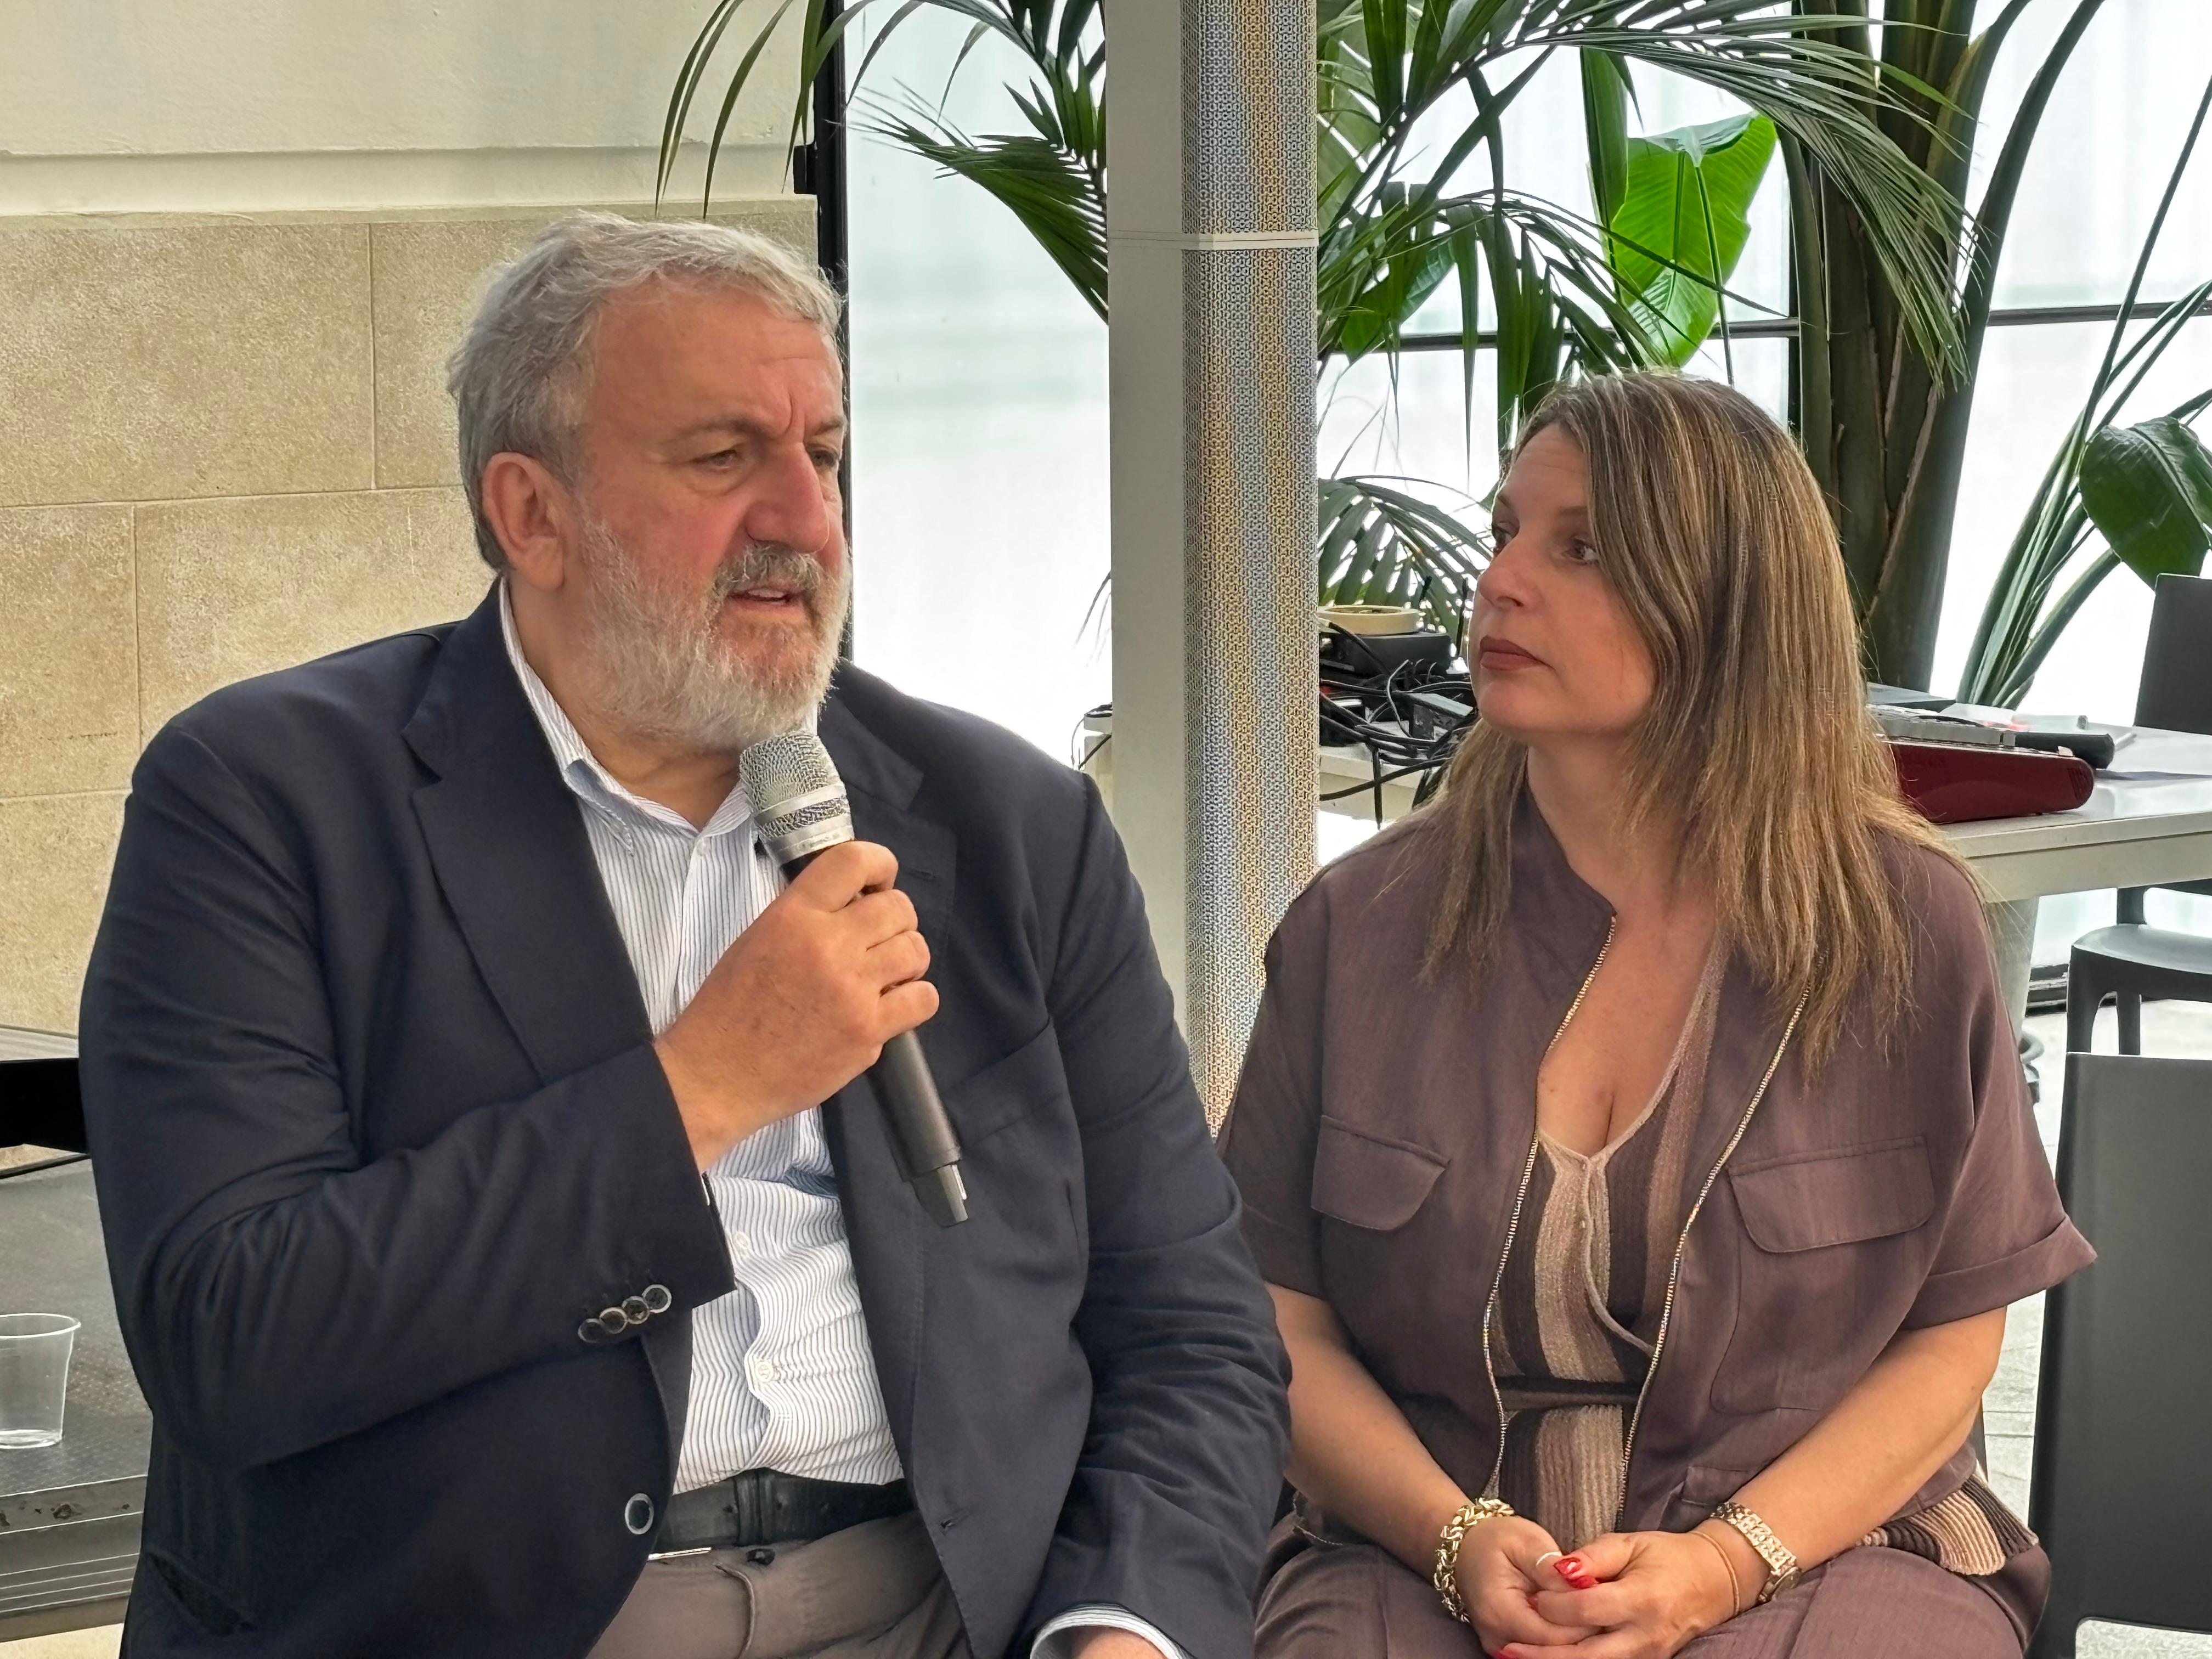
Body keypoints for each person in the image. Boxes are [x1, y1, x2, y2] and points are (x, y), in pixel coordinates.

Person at [78, 212, 1288, 1659]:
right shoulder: (267, 798)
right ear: (533, 515)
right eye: (724, 458)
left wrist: (1124, 1627)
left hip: (947, 1607)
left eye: (824, 457)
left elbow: (1188, 1323)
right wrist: (701, 1087)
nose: (804, 522)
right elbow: (229, 1334)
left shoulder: (1011, 821)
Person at [1217, 371, 2095, 1659]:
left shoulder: (1904, 924)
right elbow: (1274, 1319)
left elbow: (1953, 1339)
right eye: (1508, 531)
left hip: (1820, 1543)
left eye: (1581, 549)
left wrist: (1727, 1566)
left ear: (1726, 600)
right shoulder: (1359, 928)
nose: (1500, 581)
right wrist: (1454, 1540)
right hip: (1424, 1538)